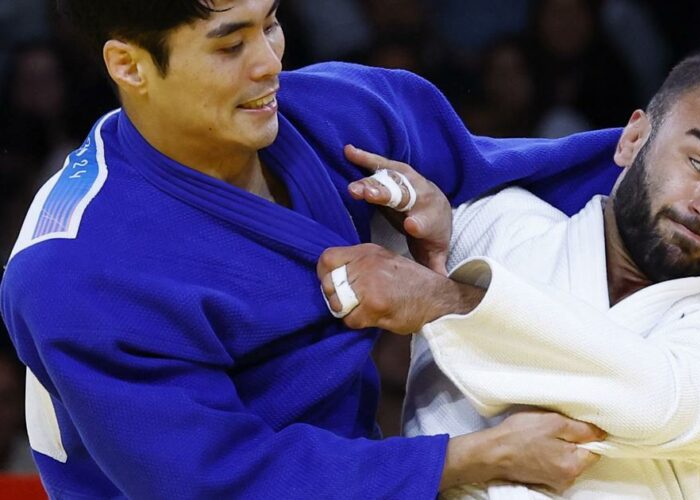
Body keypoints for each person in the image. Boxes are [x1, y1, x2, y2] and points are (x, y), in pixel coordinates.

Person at [0, 0, 643, 497]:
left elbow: (515, 170)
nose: (269, 64)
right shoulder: (78, 270)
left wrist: (691, 203)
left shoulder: (328, 113)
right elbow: (221, 481)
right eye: (231, 44)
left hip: (363, 456)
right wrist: (474, 457)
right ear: (130, 65)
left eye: (271, 24)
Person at [317, 52, 700, 498]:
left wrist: (447, 302)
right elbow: (319, 137)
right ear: (632, 139)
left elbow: (659, 399)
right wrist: (398, 203)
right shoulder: (494, 222)